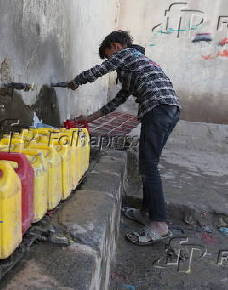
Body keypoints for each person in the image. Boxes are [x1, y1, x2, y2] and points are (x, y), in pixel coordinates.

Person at [68, 30, 181, 245]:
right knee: (150, 163)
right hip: (170, 109)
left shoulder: (128, 54)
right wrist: (89, 118)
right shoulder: (137, 64)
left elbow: (100, 70)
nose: (111, 60)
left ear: (116, 46)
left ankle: (160, 224)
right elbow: (117, 101)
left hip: (157, 108)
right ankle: (146, 212)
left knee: (148, 166)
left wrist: (76, 81)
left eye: (109, 54)